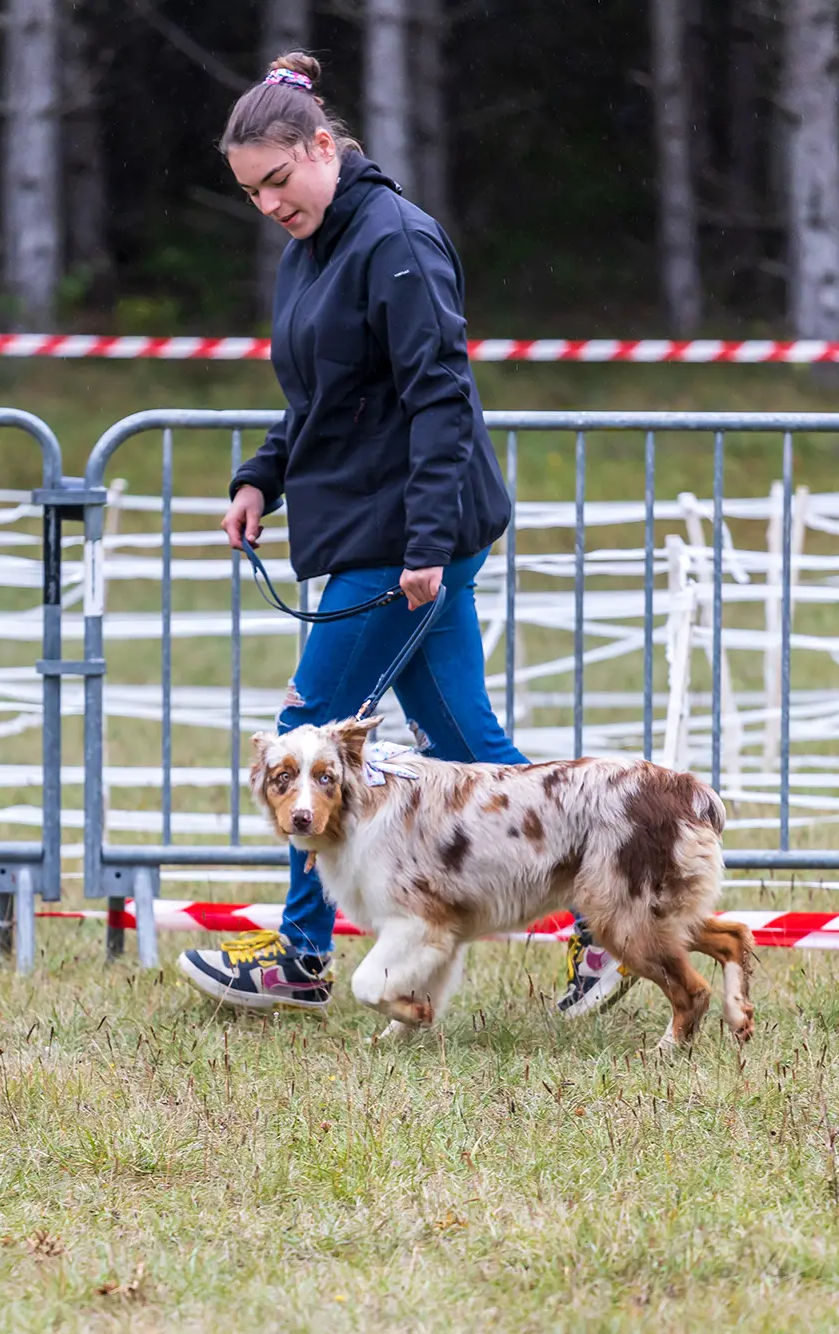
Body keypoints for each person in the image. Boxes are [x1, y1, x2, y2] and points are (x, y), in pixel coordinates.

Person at [174, 53, 631, 1019]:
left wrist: (425, 541)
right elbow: (321, 395)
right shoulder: (314, 249)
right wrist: (263, 473)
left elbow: (441, 399)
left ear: (323, 149)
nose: (268, 204)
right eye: (251, 191)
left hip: (407, 538)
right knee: (467, 740)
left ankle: (299, 957)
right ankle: (607, 909)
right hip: (379, 531)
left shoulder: (396, 242)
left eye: (278, 180)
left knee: (312, 737)